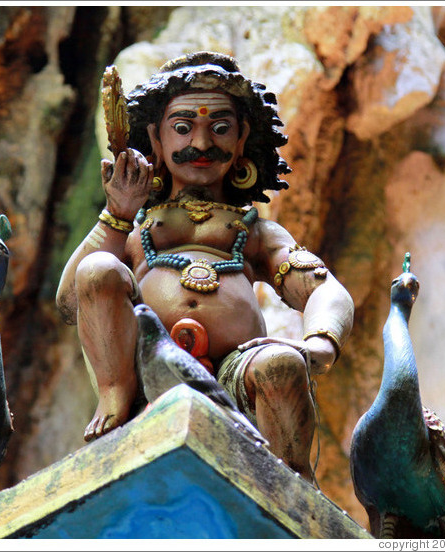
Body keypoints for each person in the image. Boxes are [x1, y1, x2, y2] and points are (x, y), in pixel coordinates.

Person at [56, 52, 354, 481]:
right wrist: (118, 215)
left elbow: (325, 289)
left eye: (219, 128)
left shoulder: (254, 231)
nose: (200, 143)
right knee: (99, 268)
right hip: (144, 362)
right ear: (155, 141)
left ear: (240, 140)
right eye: (182, 128)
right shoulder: (136, 227)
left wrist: (321, 344)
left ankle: (290, 478)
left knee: (281, 366)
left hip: (237, 370)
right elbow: (71, 303)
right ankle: (116, 397)